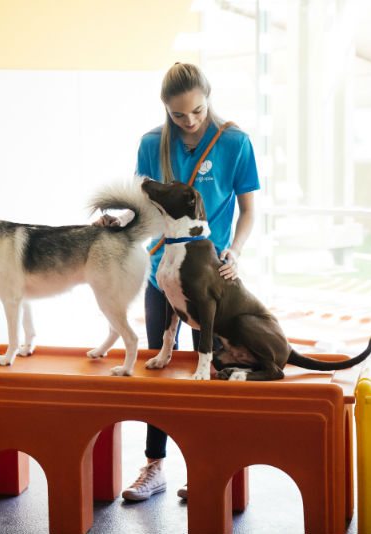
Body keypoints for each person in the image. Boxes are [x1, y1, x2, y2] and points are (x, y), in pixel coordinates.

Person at [119, 63, 260, 501]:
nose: (191, 121)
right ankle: (154, 465)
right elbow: (144, 208)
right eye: (180, 115)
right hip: (162, 267)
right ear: (166, 109)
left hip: (208, 271)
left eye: (197, 111)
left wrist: (234, 251)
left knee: (218, 366)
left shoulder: (235, 142)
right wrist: (120, 223)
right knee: (159, 364)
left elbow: (249, 210)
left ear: (208, 98)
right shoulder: (151, 145)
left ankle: (212, 465)